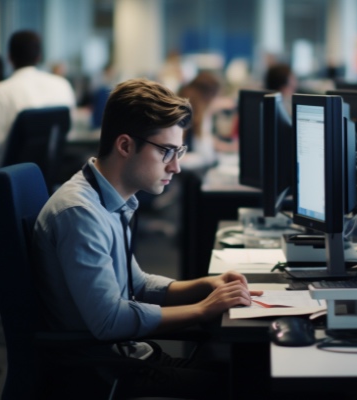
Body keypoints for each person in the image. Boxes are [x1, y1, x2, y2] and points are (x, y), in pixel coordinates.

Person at [32, 78, 261, 398]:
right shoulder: (79, 212)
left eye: (178, 151)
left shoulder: (110, 198)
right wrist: (202, 309)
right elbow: (110, 321)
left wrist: (206, 286)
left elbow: (137, 283)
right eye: (167, 151)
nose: (177, 166)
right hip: (101, 372)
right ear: (125, 146)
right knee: (248, 385)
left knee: (247, 373)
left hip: (126, 356)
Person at [0, 30, 76, 163]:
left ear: (9, 57)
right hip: (49, 176)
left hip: (9, 176)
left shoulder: (0, 92)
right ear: (39, 57)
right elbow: (69, 132)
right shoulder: (62, 85)